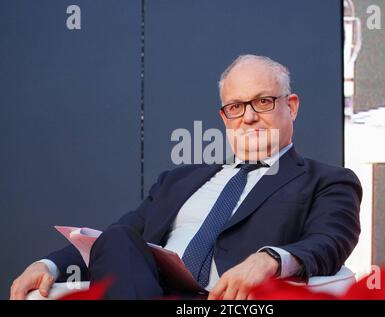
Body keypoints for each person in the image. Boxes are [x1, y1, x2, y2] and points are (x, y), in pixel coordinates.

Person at [10, 54, 362, 300]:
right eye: (236, 107)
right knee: (118, 237)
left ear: (292, 106)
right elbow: (114, 241)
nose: (249, 117)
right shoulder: (178, 181)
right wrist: (51, 264)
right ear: (225, 116)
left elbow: (329, 241)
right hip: (147, 291)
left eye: (264, 102)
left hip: (224, 298)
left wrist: (267, 259)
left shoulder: (327, 180)